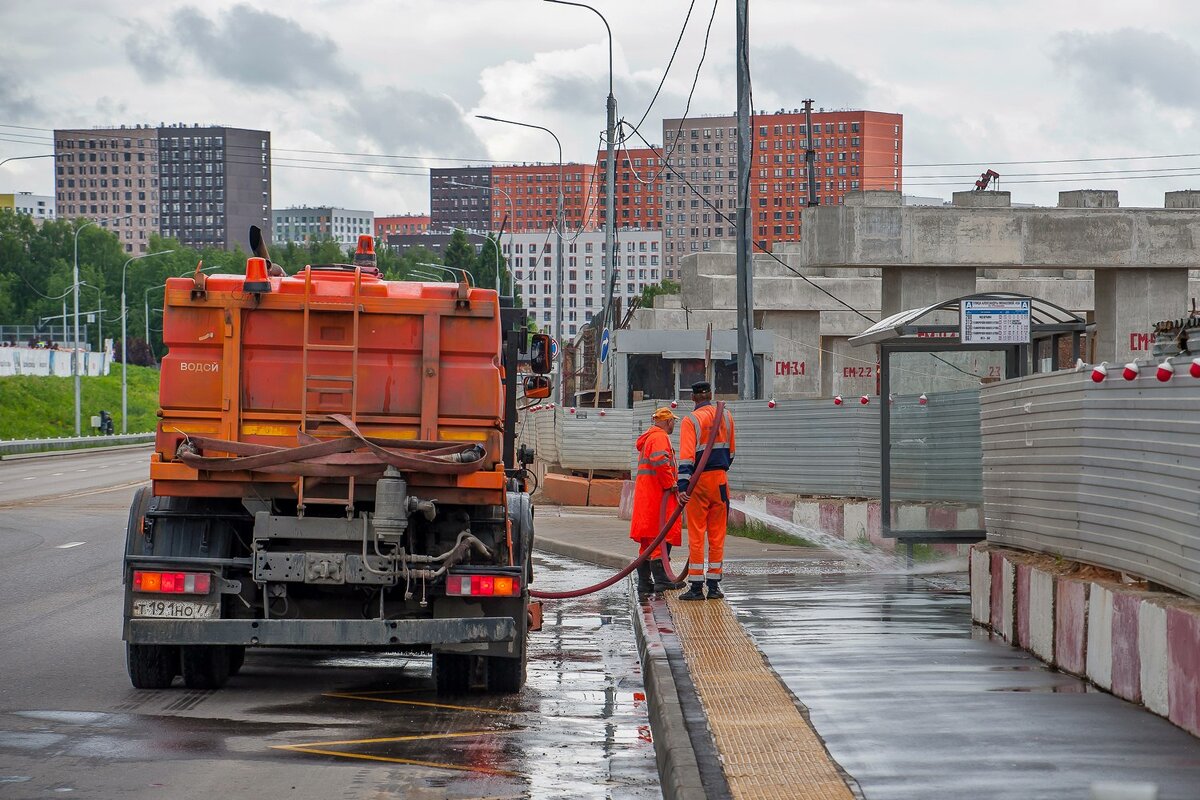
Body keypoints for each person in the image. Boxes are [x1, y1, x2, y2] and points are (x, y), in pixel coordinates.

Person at [676, 381, 736, 601]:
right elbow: (731, 452)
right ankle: (714, 587)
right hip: (720, 481)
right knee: (718, 534)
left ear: (693, 398)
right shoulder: (727, 417)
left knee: (697, 532)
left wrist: (683, 486)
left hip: (698, 483)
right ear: (711, 394)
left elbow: (686, 457)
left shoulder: (690, 420)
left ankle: (695, 587)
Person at [630, 406, 685, 601]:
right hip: (658, 498)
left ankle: (645, 583)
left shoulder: (649, 438)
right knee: (660, 538)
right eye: (673, 422)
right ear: (667, 421)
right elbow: (661, 461)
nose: (674, 425)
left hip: (648, 498)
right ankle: (662, 579)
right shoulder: (660, 437)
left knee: (648, 542)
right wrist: (671, 484)